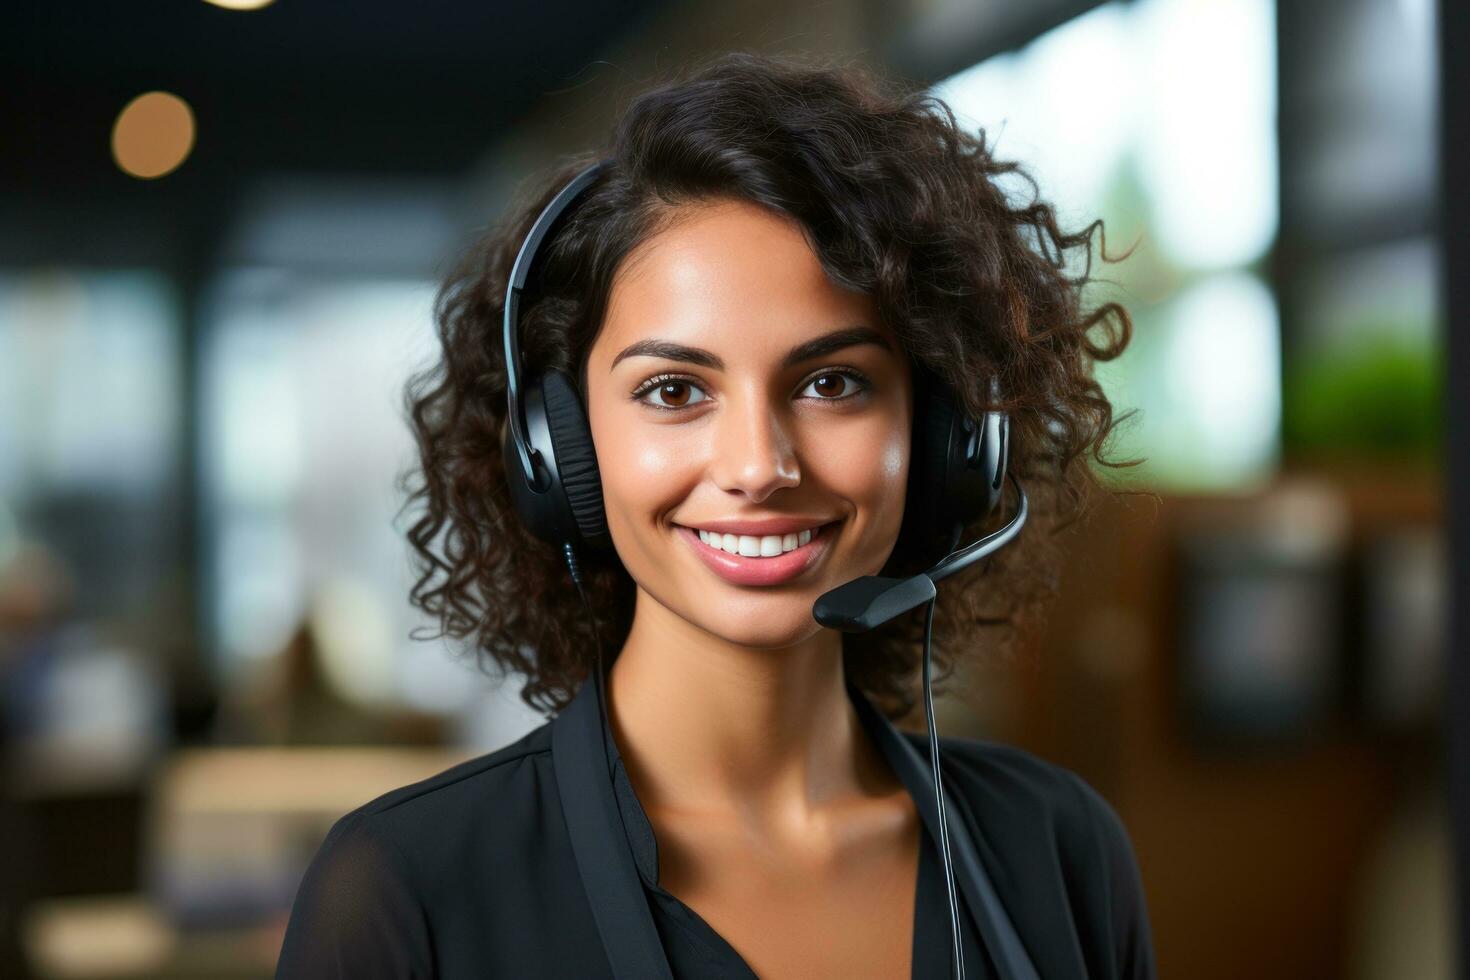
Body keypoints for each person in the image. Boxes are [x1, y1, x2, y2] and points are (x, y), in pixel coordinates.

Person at [276, 51, 1153, 979]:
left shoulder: (1056, 851)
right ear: (555, 450)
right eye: (672, 390)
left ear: (946, 437)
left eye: (831, 382)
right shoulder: (407, 892)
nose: (758, 467)